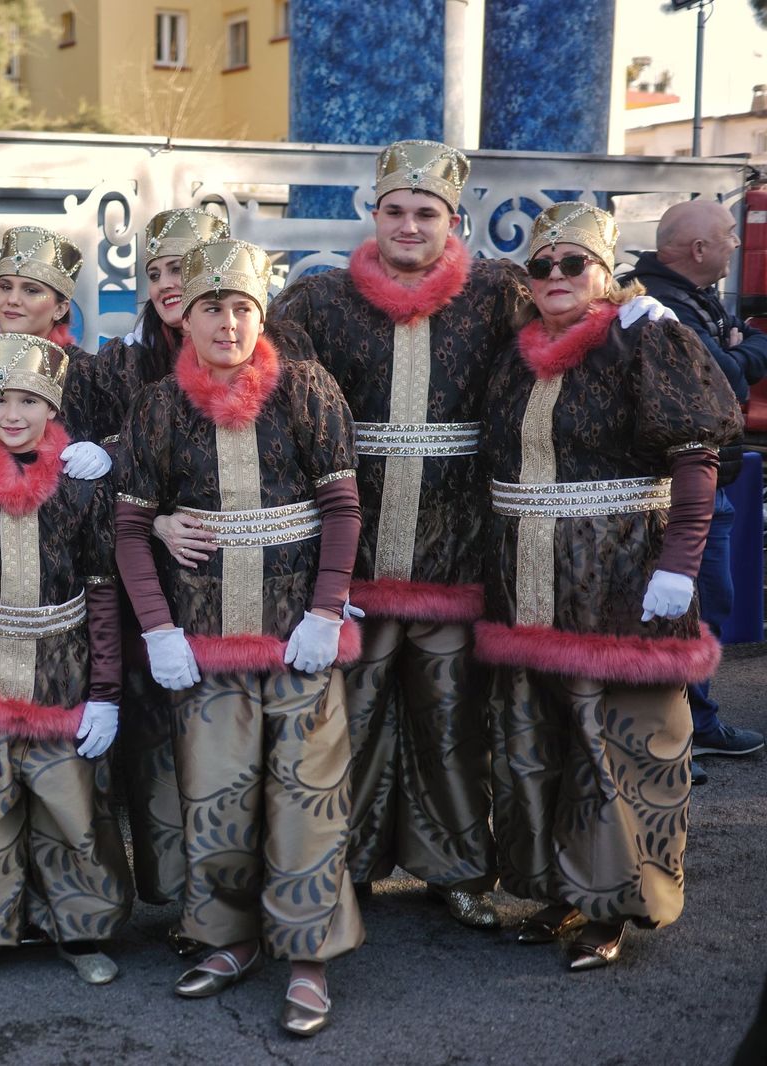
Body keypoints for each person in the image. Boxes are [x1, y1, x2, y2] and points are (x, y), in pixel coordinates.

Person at [266, 140, 524, 926]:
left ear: (454, 220)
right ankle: (352, 861)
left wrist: (631, 315)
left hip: (457, 547)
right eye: (395, 211)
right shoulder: (318, 300)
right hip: (359, 552)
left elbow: (565, 338)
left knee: (451, 721)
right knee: (356, 716)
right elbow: (261, 386)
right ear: (371, 214)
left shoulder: (498, 294)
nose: (409, 225)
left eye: (426, 213)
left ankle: (458, 870)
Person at [478, 202, 740, 970]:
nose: (557, 277)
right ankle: (566, 891)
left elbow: (697, 455)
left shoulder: (648, 340)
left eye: (575, 263)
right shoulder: (516, 354)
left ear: (606, 272)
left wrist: (679, 563)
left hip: (624, 579)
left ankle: (619, 907)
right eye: (542, 266)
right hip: (528, 587)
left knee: (621, 750)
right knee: (547, 745)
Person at [114, 238, 363, 1037]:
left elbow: (342, 510)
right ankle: (228, 939)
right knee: (215, 796)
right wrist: (158, 630)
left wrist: (328, 611)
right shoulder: (157, 407)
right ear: (183, 316)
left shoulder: (307, 388)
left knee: (307, 798)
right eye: (211, 307)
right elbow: (127, 529)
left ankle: (309, 958)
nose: (227, 323)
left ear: (262, 315)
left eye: (241, 308)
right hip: (206, 639)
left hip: (298, 636)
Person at [0, 333, 132, 1000]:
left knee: (71, 808)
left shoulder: (81, 486)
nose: (14, 413)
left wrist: (105, 693)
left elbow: (102, 592)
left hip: (61, 677)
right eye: (1, 399)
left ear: (52, 405)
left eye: (30, 400)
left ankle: (81, 931)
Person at [89, 207, 229, 910]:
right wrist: (160, 519)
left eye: (181, 268)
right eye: (155, 272)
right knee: (159, 730)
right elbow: (88, 461)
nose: (167, 283)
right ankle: (177, 896)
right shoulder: (122, 362)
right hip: (148, 565)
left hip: (236, 575)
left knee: (225, 733)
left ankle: (231, 892)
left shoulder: (263, 347)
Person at [628, 200, 767, 775]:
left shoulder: (689, 298)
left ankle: (690, 723)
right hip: (680, 488)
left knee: (710, 603)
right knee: (691, 607)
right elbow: (726, 373)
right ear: (699, 249)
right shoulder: (660, 306)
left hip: (713, 477)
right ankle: (685, 729)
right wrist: (744, 347)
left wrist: (736, 346)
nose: (737, 243)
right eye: (729, 235)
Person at [0, 225, 111, 479]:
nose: (12, 299)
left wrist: (106, 453)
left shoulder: (87, 372)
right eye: (5, 286)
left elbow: (126, 442)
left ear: (60, 309)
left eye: (31, 290)